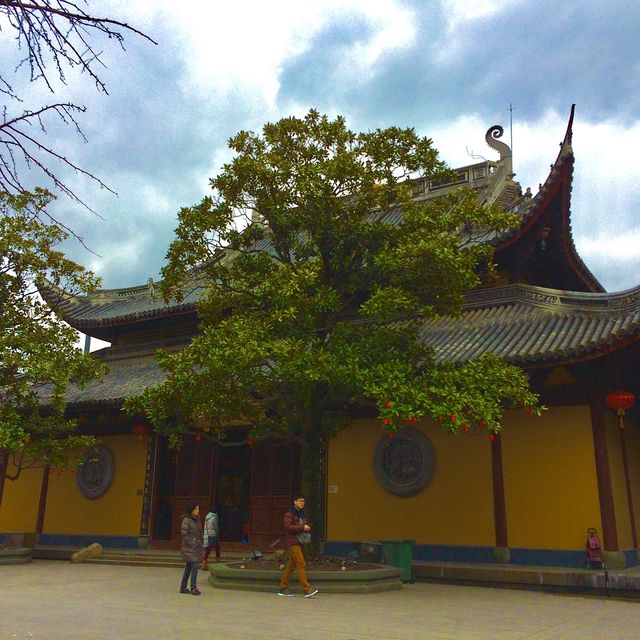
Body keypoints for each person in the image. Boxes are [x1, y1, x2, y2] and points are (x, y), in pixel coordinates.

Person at [277, 494, 318, 597]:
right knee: (301, 563)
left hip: (300, 541)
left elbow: (307, 524)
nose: (302, 503)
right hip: (293, 542)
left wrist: (308, 527)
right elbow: (288, 527)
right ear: (295, 502)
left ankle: (283, 587)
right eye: (300, 501)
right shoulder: (289, 514)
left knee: (291, 566)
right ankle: (306, 589)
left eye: (303, 501)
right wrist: (302, 527)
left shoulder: (303, 514)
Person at [180, 501, 203, 595]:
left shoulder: (197, 520)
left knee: (189, 567)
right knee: (194, 566)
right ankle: (193, 587)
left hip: (196, 547)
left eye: (198, 509)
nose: (198, 510)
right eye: (196, 509)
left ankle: (183, 587)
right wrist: (193, 543)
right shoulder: (186, 520)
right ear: (191, 510)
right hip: (190, 548)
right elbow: (184, 535)